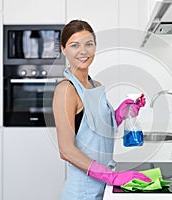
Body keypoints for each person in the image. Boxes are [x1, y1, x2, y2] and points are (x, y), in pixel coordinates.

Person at [52, 20, 151, 200]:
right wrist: (113, 176)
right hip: (82, 192)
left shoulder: (95, 85)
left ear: (95, 47)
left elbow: (99, 129)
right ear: (63, 49)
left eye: (89, 44)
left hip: (103, 188)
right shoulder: (66, 90)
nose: (83, 51)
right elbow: (65, 150)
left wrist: (122, 113)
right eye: (75, 45)